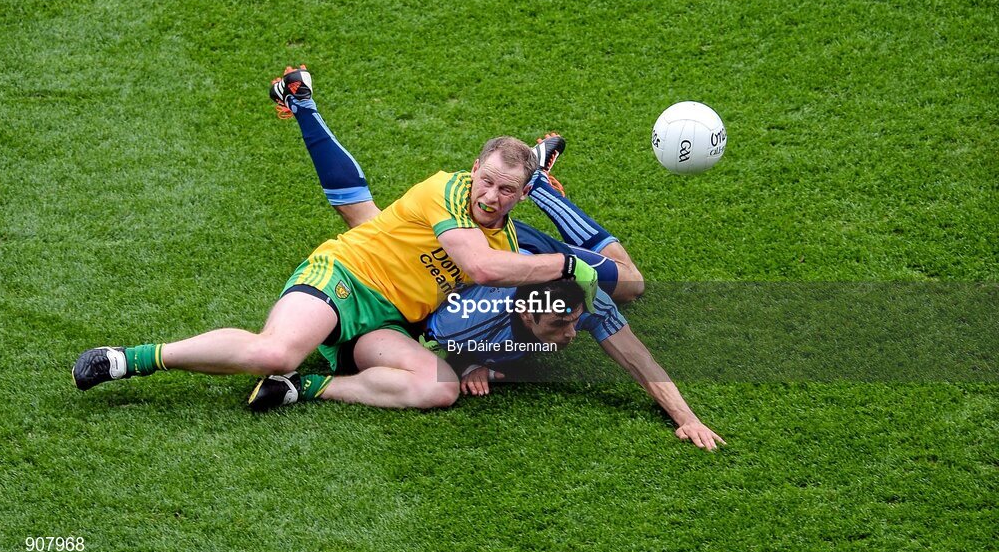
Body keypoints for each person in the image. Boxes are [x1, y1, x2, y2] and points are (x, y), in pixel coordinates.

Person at [71, 66, 600, 411]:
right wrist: (564, 265)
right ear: (472, 170)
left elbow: (472, 305)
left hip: (388, 322)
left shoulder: (505, 245)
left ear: (518, 195)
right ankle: (129, 358)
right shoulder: (445, 189)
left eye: (507, 189)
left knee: (437, 389)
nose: (490, 195)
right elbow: (481, 269)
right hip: (345, 277)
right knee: (276, 350)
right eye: (487, 180)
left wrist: (477, 360)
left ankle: (310, 387)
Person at [249, 81, 724, 450]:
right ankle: (534, 183)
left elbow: (631, 350)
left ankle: (530, 176)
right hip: (495, 255)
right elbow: (457, 305)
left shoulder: (552, 309)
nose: (573, 334)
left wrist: (686, 417)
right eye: (566, 322)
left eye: (575, 321)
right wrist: (469, 359)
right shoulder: (471, 312)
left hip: (496, 249)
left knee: (629, 287)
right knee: (631, 281)